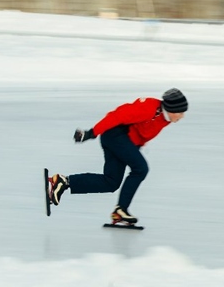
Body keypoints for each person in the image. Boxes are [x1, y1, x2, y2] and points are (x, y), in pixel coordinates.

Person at [47, 88, 189, 226]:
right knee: (140, 168)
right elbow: (117, 115)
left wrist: (137, 147)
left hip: (123, 140)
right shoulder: (149, 108)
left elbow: (143, 131)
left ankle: (62, 182)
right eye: (181, 112)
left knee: (111, 182)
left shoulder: (165, 118)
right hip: (115, 135)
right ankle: (121, 210)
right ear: (172, 109)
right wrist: (91, 133)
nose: (182, 116)